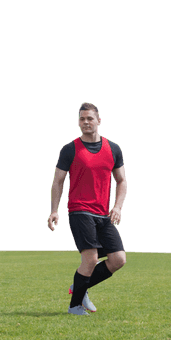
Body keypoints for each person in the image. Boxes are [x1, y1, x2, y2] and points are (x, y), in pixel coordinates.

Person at [47, 102, 128, 315]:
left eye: (90, 118)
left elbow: (121, 181)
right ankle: (74, 307)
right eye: (82, 119)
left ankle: (79, 288)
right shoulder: (69, 149)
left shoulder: (114, 149)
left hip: (102, 213)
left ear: (99, 121)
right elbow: (58, 181)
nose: (86, 122)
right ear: (78, 122)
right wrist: (54, 210)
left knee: (118, 259)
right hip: (79, 210)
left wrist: (117, 207)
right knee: (91, 259)